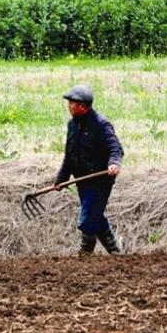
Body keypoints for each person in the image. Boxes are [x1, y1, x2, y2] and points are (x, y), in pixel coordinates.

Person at [55, 85, 124, 256]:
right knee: (95, 215)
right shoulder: (72, 125)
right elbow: (69, 155)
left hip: (100, 180)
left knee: (87, 219)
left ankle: (85, 254)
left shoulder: (101, 124)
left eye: (71, 103)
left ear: (82, 106)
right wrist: (61, 179)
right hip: (82, 180)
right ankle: (116, 252)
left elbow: (116, 147)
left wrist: (114, 163)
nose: (68, 106)